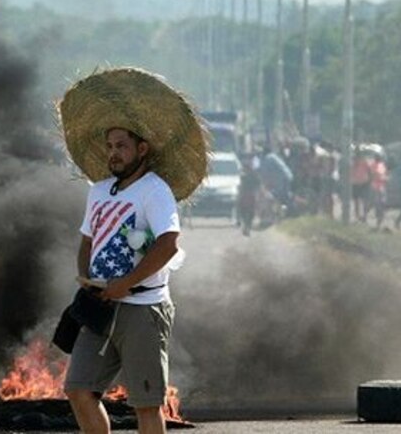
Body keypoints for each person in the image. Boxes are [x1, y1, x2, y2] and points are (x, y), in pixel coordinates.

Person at [58, 67, 209, 434]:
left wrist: (125, 283)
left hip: (144, 308)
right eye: (110, 146)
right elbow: (87, 240)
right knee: (79, 390)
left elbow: (169, 244)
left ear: (142, 149)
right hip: (101, 307)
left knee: (146, 404)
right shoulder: (99, 190)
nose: (114, 153)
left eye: (121, 146)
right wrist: (89, 280)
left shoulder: (155, 191)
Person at [238, 157, 261, 236]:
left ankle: (246, 226)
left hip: (248, 195)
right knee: (249, 212)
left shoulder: (244, 176)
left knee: (245, 211)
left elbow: (241, 186)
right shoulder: (253, 175)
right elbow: (258, 185)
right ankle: (247, 226)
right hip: (250, 195)